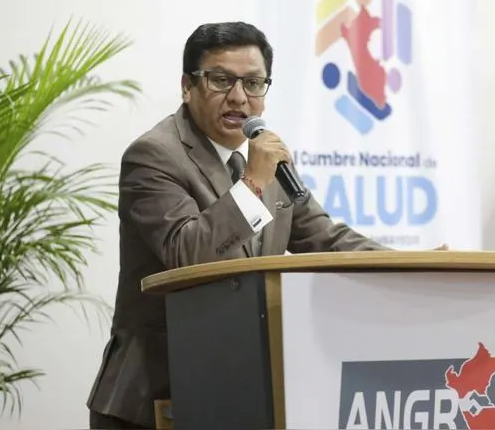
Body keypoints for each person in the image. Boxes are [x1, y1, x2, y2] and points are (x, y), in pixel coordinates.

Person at [85, 21, 398, 429]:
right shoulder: (154, 155)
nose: (238, 97)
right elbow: (186, 254)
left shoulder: (267, 161)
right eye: (220, 80)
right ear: (187, 86)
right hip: (154, 398)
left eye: (253, 83)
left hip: (238, 390)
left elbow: (326, 237)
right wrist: (252, 184)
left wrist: (411, 264)